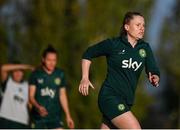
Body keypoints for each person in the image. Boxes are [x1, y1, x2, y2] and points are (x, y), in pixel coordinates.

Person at [78, 11, 160, 129]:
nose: (142, 28)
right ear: (127, 27)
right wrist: (85, 78)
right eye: (138, 25)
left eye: (143, 25)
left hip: (127, 100)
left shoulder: (145, 48)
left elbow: (153, 69)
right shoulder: (113, 44)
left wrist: (155, 77)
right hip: (110, 97)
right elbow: (88, 53)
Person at [29, 45, 74, 129]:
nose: (52, 63)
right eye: (49, 60)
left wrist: (68, 116)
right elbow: (31, 97)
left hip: (55, 119)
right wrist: (38, 107)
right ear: (43, 59)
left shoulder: (60, 74)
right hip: (38, 119)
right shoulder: (35, 74)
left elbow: (62, 95)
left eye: (54, 60)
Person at [0, 62, 34, 128]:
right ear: (12, 73)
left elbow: (30, 104)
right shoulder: (8, 82)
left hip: (22, 122)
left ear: (23, 73)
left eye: (20, 71)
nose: (18, 73)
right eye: (15, 71)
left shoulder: (28, 85)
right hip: (6, 120)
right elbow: (3, 68)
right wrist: (27, 66)